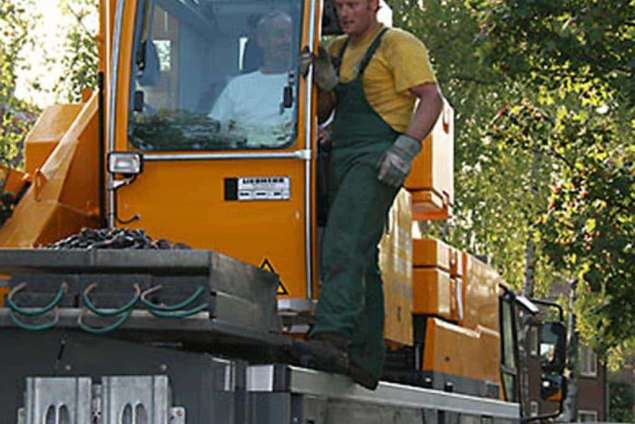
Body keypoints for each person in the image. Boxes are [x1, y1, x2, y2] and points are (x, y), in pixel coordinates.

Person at [293, 0, 443, 390]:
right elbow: (327, 110)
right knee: (363, 256)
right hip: (342, 154)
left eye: (354, 5)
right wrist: (322, 84)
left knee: (343, 240)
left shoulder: (398, 44)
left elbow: (431, 98)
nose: (345, 13)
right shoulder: (339, 49)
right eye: (340, 6)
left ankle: (330, 336)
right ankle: (364, 359)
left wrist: (406, 147)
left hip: (378, 157)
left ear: (375, 6)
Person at [209, 12, 294, 145]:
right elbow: (215, 129)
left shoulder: (304, 83)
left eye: (291, 35)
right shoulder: (237, 87)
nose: (287, 41)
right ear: (262, 40)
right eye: (280, 35)